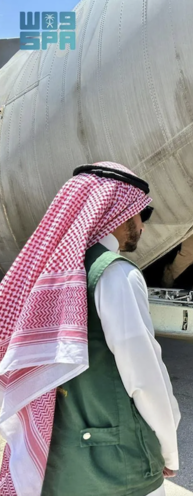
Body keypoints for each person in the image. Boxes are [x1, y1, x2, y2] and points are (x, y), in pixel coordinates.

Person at [0, 162, 180, 496]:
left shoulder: (50, 270)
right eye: (142, 214)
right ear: (120, 212)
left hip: (56, 468)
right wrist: (168, 449)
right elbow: (146, 380)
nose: (142, 226)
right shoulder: (115, 275)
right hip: (117, 472)